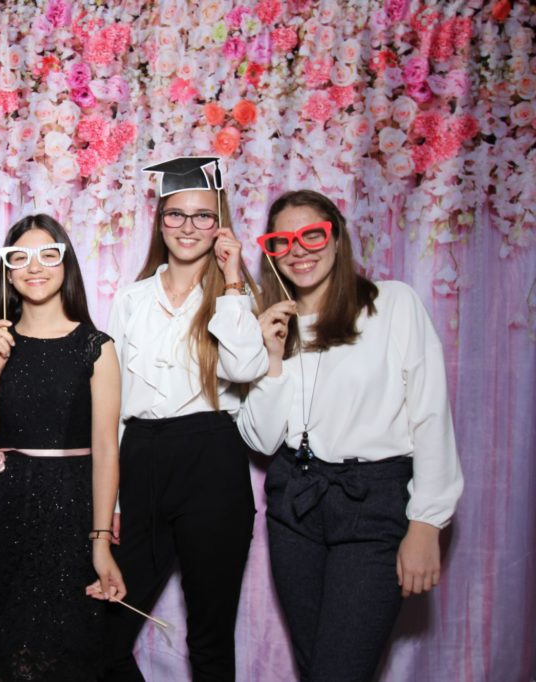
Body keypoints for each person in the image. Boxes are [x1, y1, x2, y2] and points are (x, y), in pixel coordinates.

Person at [238, 189, 464, 681]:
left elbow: (430, 413)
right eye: (281, 241)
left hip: (374, 504)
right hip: (295, 504)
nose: (298, 250)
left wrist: (426, 523)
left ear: (337, 238)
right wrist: (272, 357)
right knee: (317, 667)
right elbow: (261, 440)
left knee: (340, 670)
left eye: (312, 235)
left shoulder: (392, 304)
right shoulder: (270, 324)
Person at [101, 157, 269, 682]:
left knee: (209, 639)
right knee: (103, 634)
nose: (188, 227)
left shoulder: (236, 297)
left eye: (203, 216)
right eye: (176, 215)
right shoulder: (131, 299)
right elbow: (112, 403)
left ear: (220, 225)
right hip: (141, 457)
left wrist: (233, 279)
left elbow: (245, 368)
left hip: (212, 458)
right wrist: (114, 501)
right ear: (160, 221)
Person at [0, 214, 127, 681]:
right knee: (14, 656)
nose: (34, 266)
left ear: (66, 264)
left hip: (70, 512)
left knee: (71, 652)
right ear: (8, 271)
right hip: (7, 511)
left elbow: (106, 450)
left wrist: (100, 541)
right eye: (19, 257)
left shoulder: (96, 347)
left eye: (48, 254)